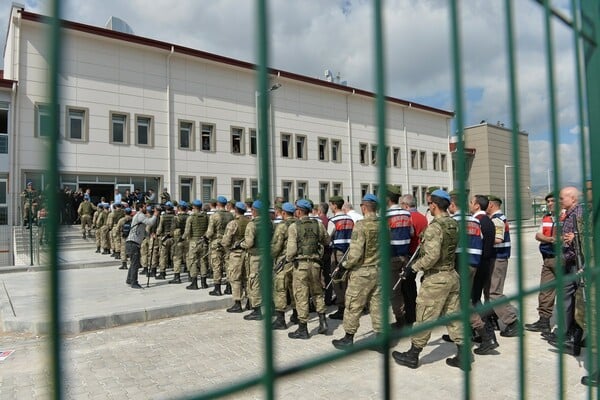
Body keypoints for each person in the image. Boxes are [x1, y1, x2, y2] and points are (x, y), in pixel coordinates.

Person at [392, 189, 470, 370]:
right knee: (454, 316)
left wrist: (413, 268)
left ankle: (412, 355)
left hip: (436, 279)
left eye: (429, 204)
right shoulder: (454, 224)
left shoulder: (435, 227)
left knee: (425, 317)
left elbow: (432, 256)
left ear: (433, 205)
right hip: (451, 275)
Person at [448, 190, 499, 355]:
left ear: (453, 205)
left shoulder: (454, 221)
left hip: (459, 264)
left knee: (463, 302)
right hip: (473, 264)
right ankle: (468, 334)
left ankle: (486, 337)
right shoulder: (474, 221)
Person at [331, 194, 381, 349]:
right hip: (379, 270)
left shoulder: (361, 225)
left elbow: (355, 254)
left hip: (362, 272)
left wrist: (344, 266)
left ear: (364, 207)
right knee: (377, 305)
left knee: (353, 305)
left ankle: (348, 337)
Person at [545, 186, 584, 351]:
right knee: (567, 299)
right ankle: (569, 334)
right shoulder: (569, 214)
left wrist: (577, 236)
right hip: (569, 261)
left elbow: (585, 235)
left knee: (575, 300)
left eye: (562, 198)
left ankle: (574, 335)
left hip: (578, 263)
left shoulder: (579, 214)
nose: (559, 201)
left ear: (573, 199)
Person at [287, 199, 330, 339]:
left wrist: (289, 258)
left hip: (301, 266)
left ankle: (303, 328)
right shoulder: (318, 225)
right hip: (316, 264)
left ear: (299, 211)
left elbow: (291, 250)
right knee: (317, 293)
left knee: (301, 295)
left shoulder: (294, 227)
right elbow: (327, 241)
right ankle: (323, 322)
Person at [486, 195, 520, 337]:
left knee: (495, 293)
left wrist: (482, 241)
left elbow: (498, 239)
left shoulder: (497, 219)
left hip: (498, 259)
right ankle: (492, 318)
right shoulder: (496, 218)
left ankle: (512, 322)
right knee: (489, 291)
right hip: (495, 258)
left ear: (492, 205)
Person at [525, 193, 557, 334]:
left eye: (552, 201)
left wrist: (547, 238)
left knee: (570, 294)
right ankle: (544, 322)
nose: (549, 203)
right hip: (548, 259)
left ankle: (574, 327)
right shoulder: (547, 218)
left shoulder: (567, 217)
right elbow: (538, 235)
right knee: (545, 292)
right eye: (548, 201)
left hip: (565, 259)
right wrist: (550, 239)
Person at [386, 185, 413, 330]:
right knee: (405, 289)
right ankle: (409, 317)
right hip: (406, 256)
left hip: (392, 257)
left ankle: (400, 321)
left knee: (394, 291)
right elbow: (412, 232)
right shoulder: (407, 214)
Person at [240, 200, 272, 320]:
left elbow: (249, 243)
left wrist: (241, 245)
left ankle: (257, 310)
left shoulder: (252, 224)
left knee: (254, 282)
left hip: (255, 256)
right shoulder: (269, 222)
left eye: (252, 210)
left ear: (254, 211)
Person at [400, 193, 427, 325]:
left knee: (407, 287)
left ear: (405, 205)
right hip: (421, 254)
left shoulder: (408, 217)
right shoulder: (423, 217)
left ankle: (410, 317)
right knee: (413, 286)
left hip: (410, 255)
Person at [327, 195, 355, 320]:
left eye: (331, 204)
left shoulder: (333, 221)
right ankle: (349, 305)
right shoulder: (350, 219)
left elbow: (327, 239)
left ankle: (341, 307)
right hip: (348, 253)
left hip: (337, 253)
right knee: (347, 280)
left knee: (337, 281)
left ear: (334, 205)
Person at [270, 202, 297, 329]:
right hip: (296, 261)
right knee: (294, 289)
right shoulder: (298, 223)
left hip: (283, 261)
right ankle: (296, 315)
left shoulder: (282, 226)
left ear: (284, 213)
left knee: (280, 289)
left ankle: (281, 320)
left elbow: (276, 246)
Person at [221, 202, 251, 312]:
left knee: (235, 278)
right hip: (248, 253)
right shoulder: (250, 222)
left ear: (236, 210)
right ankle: (250, 302)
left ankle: (237, 304)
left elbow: (226, 241)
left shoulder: (233, 223)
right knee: (247, 278)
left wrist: (227, 248)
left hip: (236, 254)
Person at [125, 204, 160, 289]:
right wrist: (155, 215)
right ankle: (134, 282)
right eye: (144, 207)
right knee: (135, 264)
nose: (146, 209)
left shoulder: (140, 216)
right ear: (140, 208)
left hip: (133, 242)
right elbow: (150, 222)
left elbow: (143, 231)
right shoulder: (139, 215)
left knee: (134, 262)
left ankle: (129, 279)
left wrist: (150, 234)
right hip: (133, 242)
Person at [206, 196, 234, 295]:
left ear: (218, 204)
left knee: (216, 265)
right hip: (228, 242)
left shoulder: (214, 216)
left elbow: (210, 232)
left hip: (216, 242)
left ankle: (217, 289)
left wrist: (206, 237)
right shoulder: (231, 215)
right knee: (228, 265)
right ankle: (229, 287)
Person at [182, 200, 210, 290]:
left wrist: (183, 238)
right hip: (204, 242)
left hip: (194, 242)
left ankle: (194, 283)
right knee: (203, 261)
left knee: (193, 262)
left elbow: (187, 232)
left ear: (193, 207)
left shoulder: (191, 218)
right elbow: (209, 229)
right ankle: (204, 282)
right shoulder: (206, 217)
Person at [155, 201, 176, 280]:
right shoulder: (175, 216)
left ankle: (162, 273)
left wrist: (157, 234)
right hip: (173, 238)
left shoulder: (163, 217)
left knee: (163, 256)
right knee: (174, 255)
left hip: (164, 238)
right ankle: (176, 272)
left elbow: (160, 228)